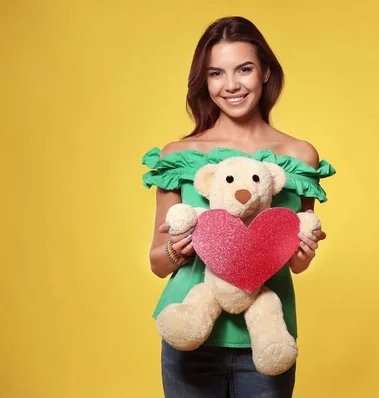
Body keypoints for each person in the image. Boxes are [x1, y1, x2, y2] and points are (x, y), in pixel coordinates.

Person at [141, 16, 335, 398]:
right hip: (190, 336)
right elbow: (157, 263)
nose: (231, 85)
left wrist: (305, 251)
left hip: (267, 340)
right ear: (205, 82)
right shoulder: (179, 156)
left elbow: (294, 263)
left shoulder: (298, 157)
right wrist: (175, 249)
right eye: (216, 73)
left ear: (264, 72)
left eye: (243, 69)